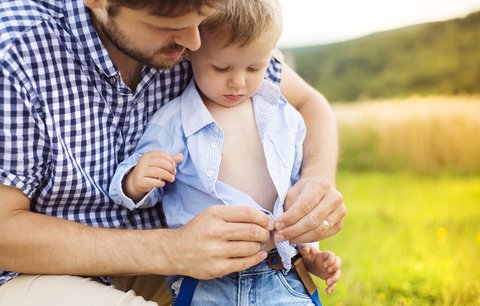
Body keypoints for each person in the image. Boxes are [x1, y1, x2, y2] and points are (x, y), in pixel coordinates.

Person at [0, 0, 345, 305]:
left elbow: (308, 102)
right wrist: (172, 249)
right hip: (31, 275)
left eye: (202, 16)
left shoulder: (201, 41)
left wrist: (317, 178)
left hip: (172, 272)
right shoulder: (16, 51)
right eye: (172, 25)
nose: (195, 42)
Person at [110, 0, 340, 305]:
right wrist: (135, 182)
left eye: (255, 67)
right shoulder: (174, 120)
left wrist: (309, 248)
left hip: (281, 274)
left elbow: (295, 186)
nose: (238, 82)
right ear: (190, 52)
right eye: (221, 68)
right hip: (209, 282)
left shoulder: (280, 113)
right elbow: (138, 181)